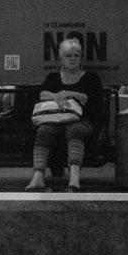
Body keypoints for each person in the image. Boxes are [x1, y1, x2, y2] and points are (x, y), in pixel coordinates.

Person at [25, 36, 103, 192]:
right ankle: (38, 176)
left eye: (76, 55)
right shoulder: (53, 77)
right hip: (55, 119)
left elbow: (91, 100)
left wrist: (68, 93)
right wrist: (57, 96)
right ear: (61, 58)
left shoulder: (91, 78)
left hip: (82, 120)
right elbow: (42, 94)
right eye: (68, 55)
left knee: (75, 130)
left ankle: (74, 178)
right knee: (44, 130)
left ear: (81, 58)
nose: (73, 59)